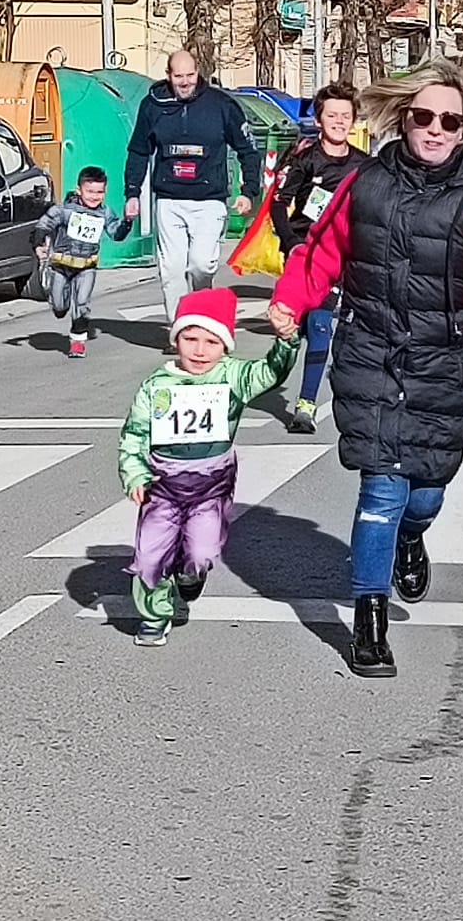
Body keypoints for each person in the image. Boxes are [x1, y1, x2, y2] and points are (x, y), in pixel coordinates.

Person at [267, 59, 463, 678]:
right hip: (371, 352)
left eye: (450, 121)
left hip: (445, 366)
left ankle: (412, 535)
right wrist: (292, 299)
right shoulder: (363, 185)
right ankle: (369, 622)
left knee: (424, 494)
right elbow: (321, 252)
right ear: (403, 118)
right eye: (424, 117)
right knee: (382, 487)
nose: (436, 129)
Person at [119, 288, 299, 646]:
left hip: (212, 483)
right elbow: (134, 433)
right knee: (151, 553)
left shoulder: (233, 377)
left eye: (212, 342)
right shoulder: (156, 384)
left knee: (200, 551)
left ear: (225, 346)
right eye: (190, 339)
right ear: (176, 340)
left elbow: (270, 373)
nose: (200, 351)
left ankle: (190, 574)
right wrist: (135, 473)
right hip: (162, 482)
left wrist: (286, 341)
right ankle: (154, 615)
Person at [123, 50, 263, 325]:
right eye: (178, 76)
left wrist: (249, 192)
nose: (185, 82)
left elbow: (248, 150)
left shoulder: (221, 105)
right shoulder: (153, 105)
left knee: (202, 264)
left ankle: (201, 301)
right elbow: (139, 151)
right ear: (168, 75)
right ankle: (180, 327)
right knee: (171, 270)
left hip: (209, 200)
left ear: (198, 72)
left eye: (190, 75)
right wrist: (132, 193)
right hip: (169, 200)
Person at [270, 81, 369, 433]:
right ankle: (275, 368)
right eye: (332, 116)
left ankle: (305, 405)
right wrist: (291, 242)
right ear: (319, 120)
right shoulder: (305, 160)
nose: (339, 122)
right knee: (296, 329)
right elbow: (279, 204)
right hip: (304, 253)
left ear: (354, 121)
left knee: (321, 324)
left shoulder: (364, 166)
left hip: (339, 257)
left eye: (345, 116)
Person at [32, 167, 133, 358]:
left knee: (82, 303)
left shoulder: (105, 213)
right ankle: (60, 303)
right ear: (79, 190)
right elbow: (44, 224)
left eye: (99, 192)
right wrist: (38, 244)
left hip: (86, 267)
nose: (95, 197)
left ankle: (78, 341)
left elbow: (116, 234)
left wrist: (127, 222)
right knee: (60, 308)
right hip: (61, 266)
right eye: (90, 191)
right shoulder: (65, 210)